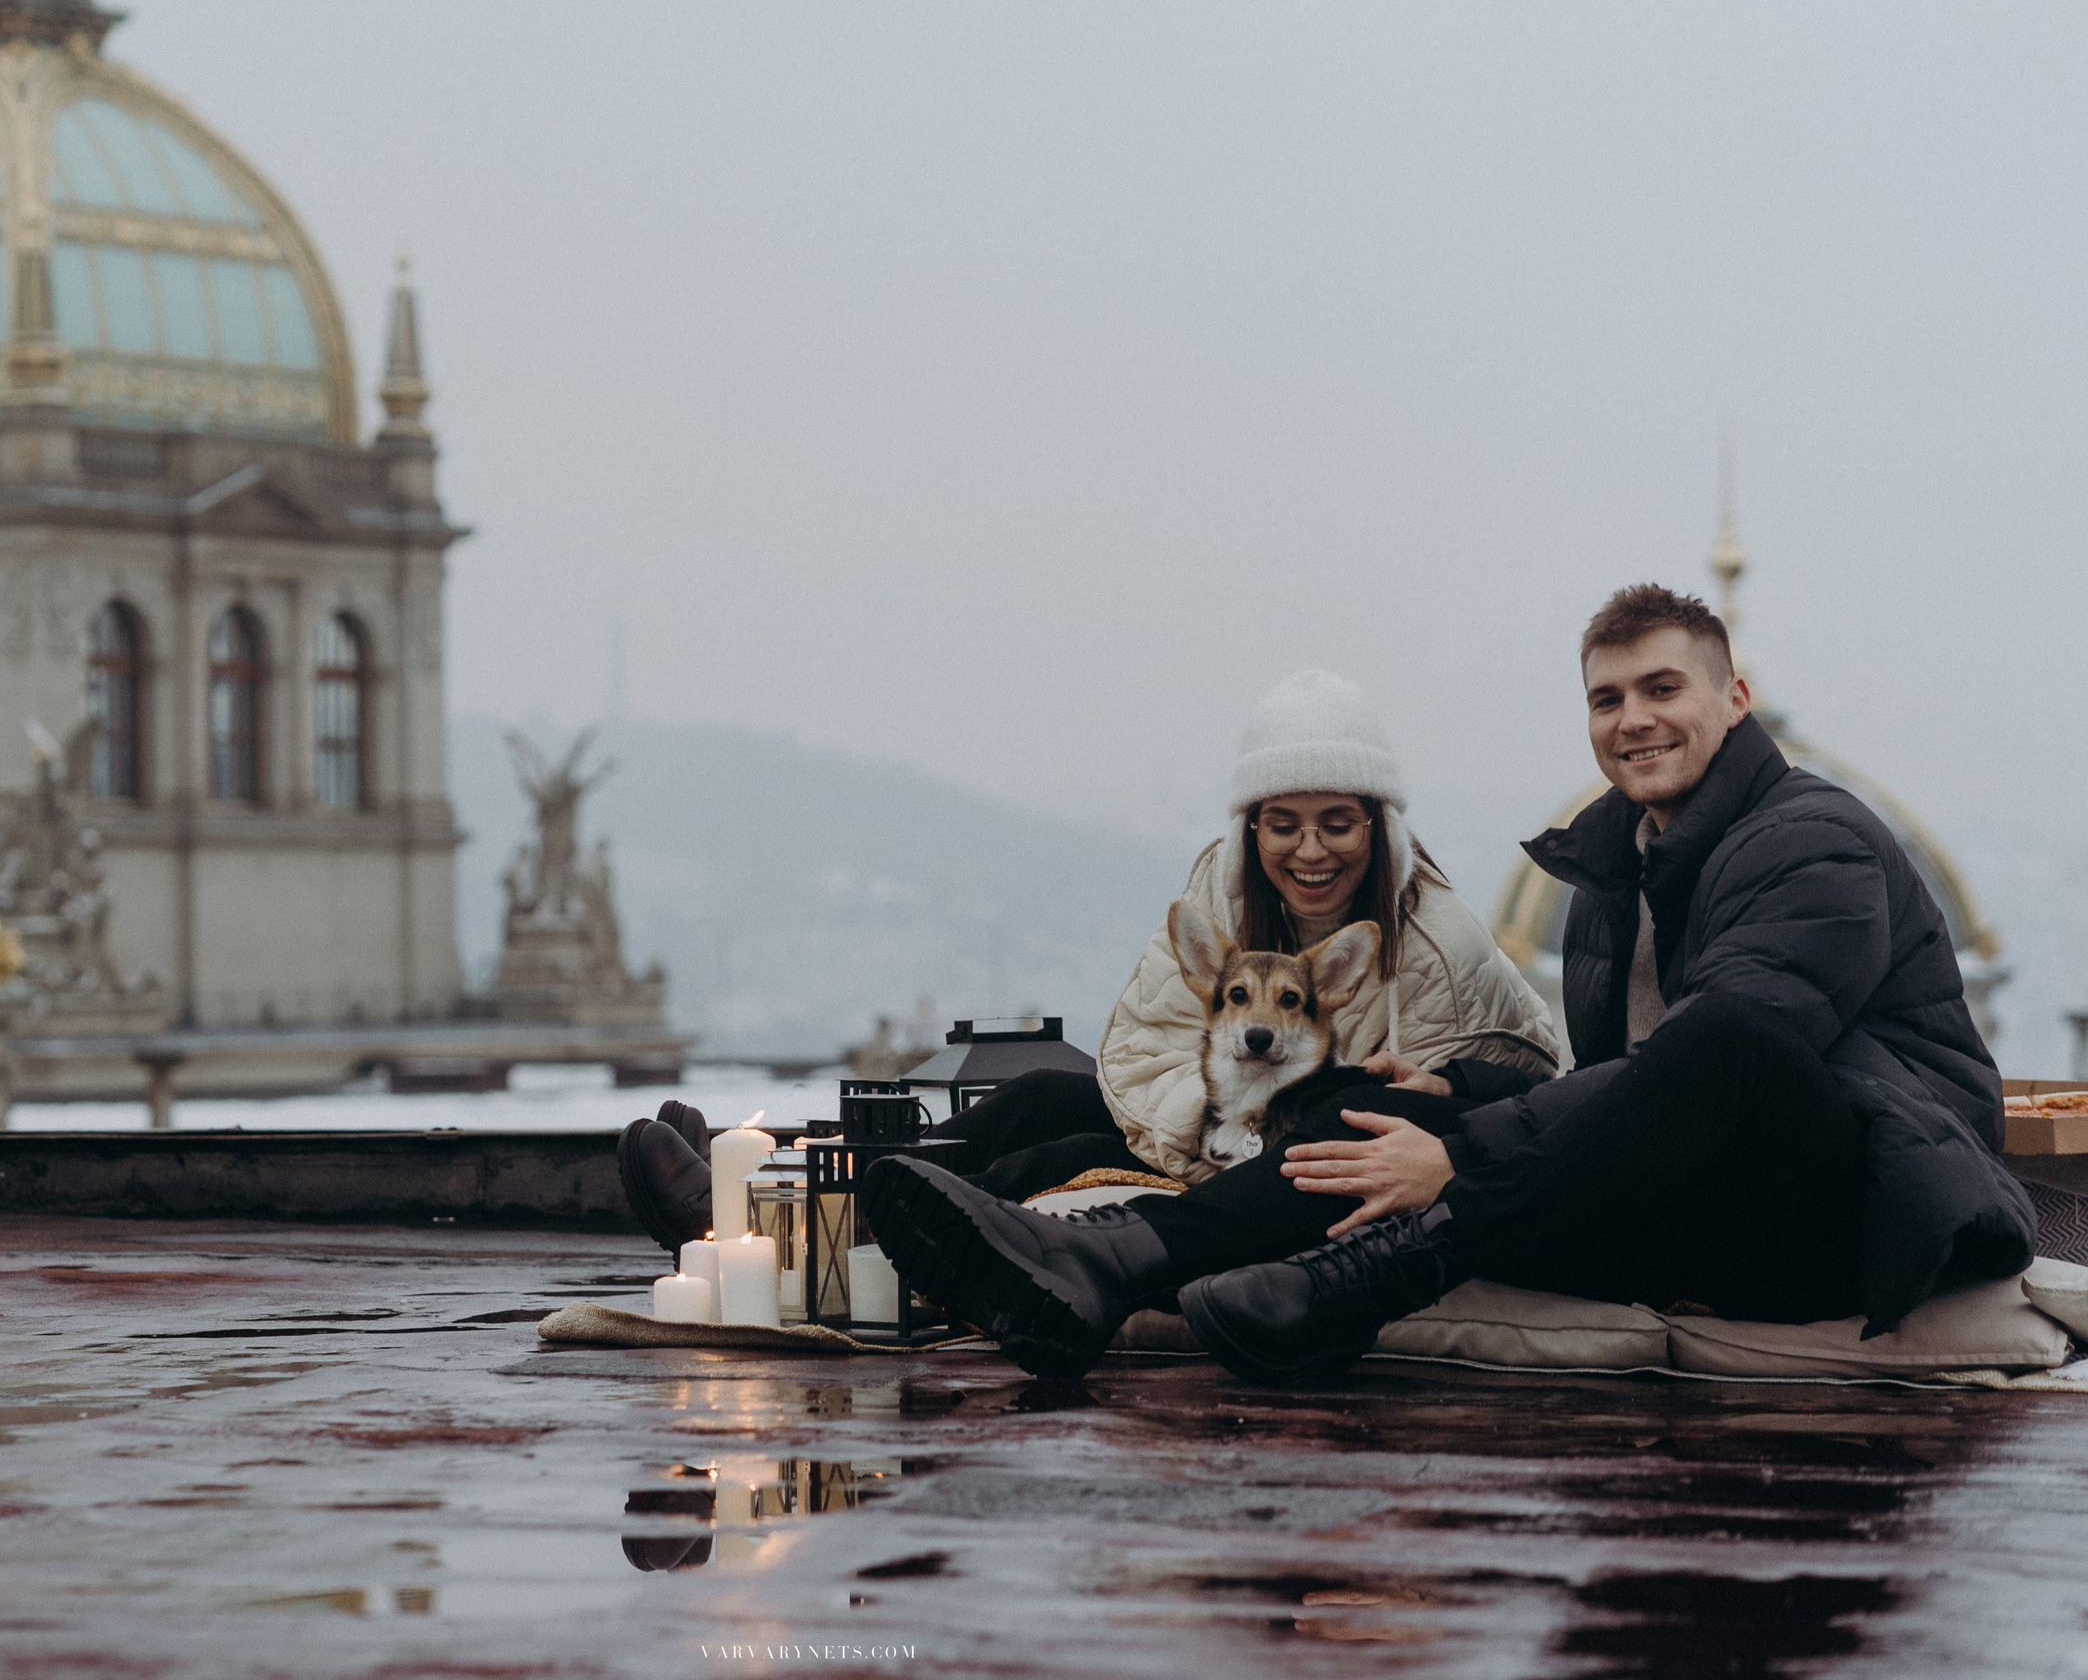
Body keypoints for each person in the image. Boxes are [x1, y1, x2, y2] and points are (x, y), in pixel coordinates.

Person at [865, 585, 2036, 1382]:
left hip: (1844, 1215)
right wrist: (1451, 1099)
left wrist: (1465, 1159)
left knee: (1719, 1043)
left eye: (1662, 688)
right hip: (1691, 1207)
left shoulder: (1812, 838)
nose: (1633, 720)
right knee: (1380, 1106)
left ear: (1734, 698)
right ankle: (1107, 1262)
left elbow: (1726, 1060)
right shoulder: (1611, 872)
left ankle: (1376, 1268)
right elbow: (1618, 1091)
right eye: (1606, 698)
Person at [614, 670, 1562, 1254]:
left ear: (1379, 826)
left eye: (1337, 823)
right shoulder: (1221, 889)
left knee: (1060, 1153)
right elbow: (1147, 1047)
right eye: (1284, 824)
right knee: (1030, 1099)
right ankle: (777, 1195)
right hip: (1213, 1129)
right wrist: (1209, 1122)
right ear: (1253, 827)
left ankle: (804, 1234)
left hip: (1284, 1164)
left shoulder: (1431, 944)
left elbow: (1465, 1089)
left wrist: (1417, 1089)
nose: (1310, 851)